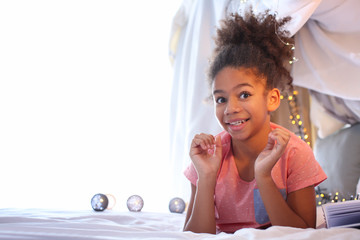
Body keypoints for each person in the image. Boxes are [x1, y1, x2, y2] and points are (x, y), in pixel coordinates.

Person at [183, 9, 327, 234]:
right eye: (221, 99)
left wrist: (263, 176)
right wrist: (206, 177)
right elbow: (194, 236)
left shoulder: (295, 153)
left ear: (272, 99)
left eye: (244, 94)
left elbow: (302, 234)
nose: (231, 109)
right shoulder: (208, 155)